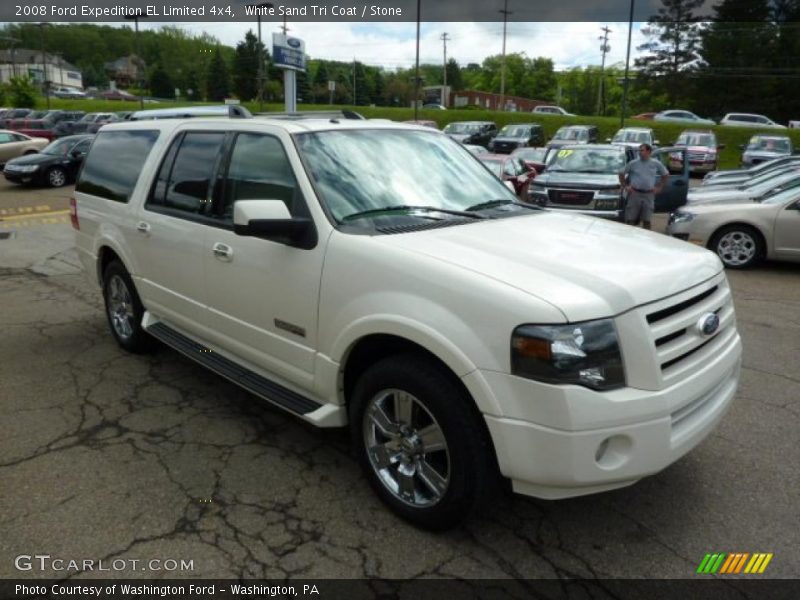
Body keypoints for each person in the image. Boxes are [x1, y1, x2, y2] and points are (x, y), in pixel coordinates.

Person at [618, 143, 669, 230]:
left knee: (647, 220)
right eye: (639, 151)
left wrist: (660, 187)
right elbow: (621, 173)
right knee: (631, 219)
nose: (639, 152)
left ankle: (646, 239)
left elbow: (665, 174)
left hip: (649, 194)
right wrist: (625, 186)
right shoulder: (633, 163)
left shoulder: (655, 163)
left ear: (648, 151)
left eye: (642, 150)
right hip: (635, 193)